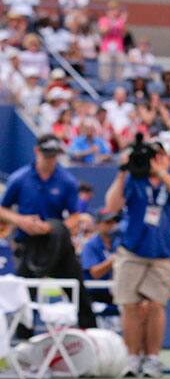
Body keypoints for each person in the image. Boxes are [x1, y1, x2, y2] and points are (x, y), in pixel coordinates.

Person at [104, 139, 170, 378]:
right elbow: (111, 205)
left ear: (167, 158)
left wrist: (161, 172)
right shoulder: (134, 178)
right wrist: (123, 171)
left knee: (156, 305)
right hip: (132, 251)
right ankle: (132, 358)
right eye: (152, 155)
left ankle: (152, 358)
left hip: (160, 253)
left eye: (160, 154)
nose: (154, 159)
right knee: (130, 305)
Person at [0, 134, 96, 331]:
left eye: (54, 156)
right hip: (28, 244)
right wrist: (21, 221)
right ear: (37, 152)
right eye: (47, 155)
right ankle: (21, 343)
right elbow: (3, 208)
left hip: (58, 246)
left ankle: (91, 335)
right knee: (23, 298)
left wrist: (53, 227)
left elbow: (76, 216)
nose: (51, 160)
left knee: (79, 291)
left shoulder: (67, 181)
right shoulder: (19, 178)